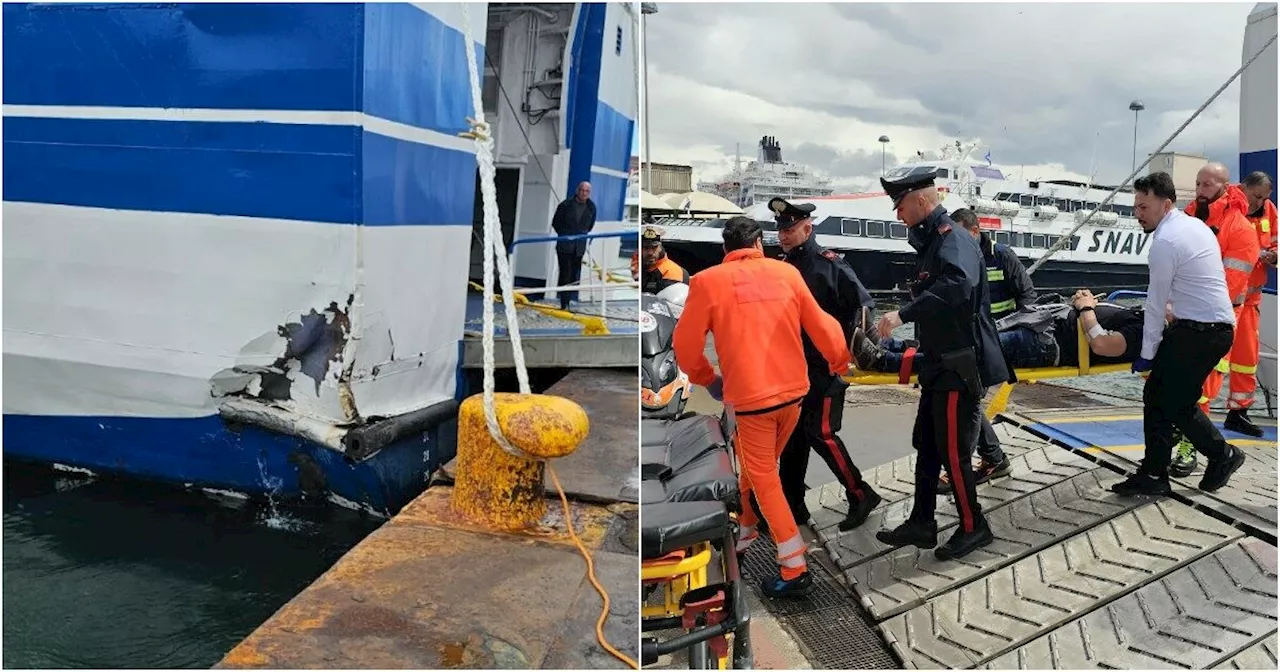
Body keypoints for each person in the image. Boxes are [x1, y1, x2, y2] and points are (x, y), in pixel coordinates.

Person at [672, 216, 852, 599]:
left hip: (751, 400)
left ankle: (794, 565)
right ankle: (749, 525)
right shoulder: (786, 274)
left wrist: (708, 380)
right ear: (759, 245)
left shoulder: (705, 282)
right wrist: (839, 363)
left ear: (725, 249)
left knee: (764, 475)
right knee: (760, 467)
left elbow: (686, 347)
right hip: (794, 394)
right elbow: (823, 324)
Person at [871, 170, 1012, 561]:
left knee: (953, 452)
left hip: (958, 365)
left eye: (900, 206)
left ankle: (974, 526)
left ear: (920, 200)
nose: (898, 215)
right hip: (939, 363)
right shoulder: (935, 241)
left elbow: (958, 284)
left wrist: (903, 315)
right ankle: (922, 522)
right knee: (929, 446)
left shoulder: (953, 239)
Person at [1112, 172, 1244, 497]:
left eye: (1144, 206)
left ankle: (1220, 454)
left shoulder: (1166, 241)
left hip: (1200, 331)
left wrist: (1147, 353)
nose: (1138, 213)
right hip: (1210, 328)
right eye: (1136, 206)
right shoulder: (1192, 226)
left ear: (1165, 204)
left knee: (1171, 400)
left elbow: (1155, 304)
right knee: (1162, 397)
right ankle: (1156, 472)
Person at [766, 197, 882, 532]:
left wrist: (858, 352)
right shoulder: (784, 266)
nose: (784, 235)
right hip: (794, 367)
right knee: (794, 438)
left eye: (790, 229)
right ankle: (793, 504)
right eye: (781, 230)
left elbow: (863, 307)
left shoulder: (829, 265)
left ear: (807, 227)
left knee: (822, 433)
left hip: (824, 367)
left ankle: (860, 494)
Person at [1173, 163, 1262, 475]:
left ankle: (1190, 449)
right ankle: (1178, 434)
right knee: (1169, 381)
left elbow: (1229, 285)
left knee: (1202, 386)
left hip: (1217, 319)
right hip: (1181, 313)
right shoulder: (1186, 217)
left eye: (1207, 185)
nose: (1200, 191)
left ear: (1225, 186)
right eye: (1198, 184)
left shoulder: (1239, 229)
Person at [854, 289, 1146, 373]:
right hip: (1044, 327)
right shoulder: (1140, 314)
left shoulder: (1143, 330)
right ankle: (892, 347)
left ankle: (884, 361)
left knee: (966, 353)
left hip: (1047, 345)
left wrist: (1085, 309)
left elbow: (1103, 345)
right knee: (962, 339)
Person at [951, 208, 1037, 320]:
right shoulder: (954, 259)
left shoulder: (1002, 255)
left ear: (975, 231)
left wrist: (1019, 326)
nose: (955, 242)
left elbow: (1027, 294)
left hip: (1002, 329)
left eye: (959, 237)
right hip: (971, 331)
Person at [550, 181, 597, 311]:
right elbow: (556, 223)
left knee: (574, 275)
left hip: (579, 247)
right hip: (565, 246)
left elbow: (589, 226)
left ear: (589, 193)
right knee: (565, 273)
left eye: (587, 191)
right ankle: (563, 302)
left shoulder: (591, 207)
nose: (584, 193)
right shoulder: (565, 205)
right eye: (582, 190)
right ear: (577, 190)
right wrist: (566, 234)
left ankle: (569, 300)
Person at [631, 225, 689, 294]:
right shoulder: (642, 268)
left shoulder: (671, 272)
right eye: (645, 248)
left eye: (654, 247)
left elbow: (668, 302)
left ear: (660, 248)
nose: (650, 253)